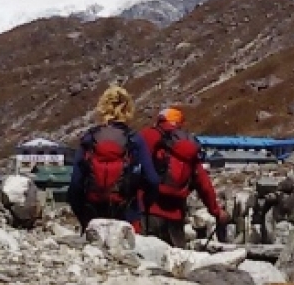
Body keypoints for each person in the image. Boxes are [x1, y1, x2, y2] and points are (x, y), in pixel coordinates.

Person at [68, 86, 161, 232]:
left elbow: (75, 185)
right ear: (128, 109)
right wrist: (144, 206)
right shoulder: (135, 139)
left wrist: (83, 217)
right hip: (128, 217)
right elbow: (153, 180)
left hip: (93, 218)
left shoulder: (90, 138)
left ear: (102, 107)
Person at [139, 106, 228, 248]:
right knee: (176, 260)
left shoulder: (146, 136)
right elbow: (202, 182)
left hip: (149, 211)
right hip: (176, 216)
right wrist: (216, 211)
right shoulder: (187, 145)